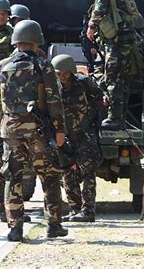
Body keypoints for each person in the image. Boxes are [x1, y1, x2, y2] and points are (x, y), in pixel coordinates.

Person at [0, 20, 68, 241]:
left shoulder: (1, 66)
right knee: (49, 176)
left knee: (13, 176)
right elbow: (54, 100)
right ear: (36, 41)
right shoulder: (43, 65)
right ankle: (54, 225)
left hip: (10, 131)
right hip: (37, 131)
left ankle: (15, 228)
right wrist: (60, 129)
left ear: (15, 41)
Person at [85, 0, 141, 130]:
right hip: (126, 37)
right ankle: (120, 118)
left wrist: (91, 26)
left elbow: (100, 8)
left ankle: (114, 118)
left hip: (117, 40)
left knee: (112, 76)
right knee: (121, 78)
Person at [51, 54, 105, 222]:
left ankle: (88, 211)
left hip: (85, 135)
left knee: (88, 171)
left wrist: (94, 118)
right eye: (58, 74)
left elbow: (99, 98)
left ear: (71, 71)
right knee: (67, 172)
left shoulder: (83, 83)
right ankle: (75, 210)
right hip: (64, 136)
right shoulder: (52, 87)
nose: (62, 77)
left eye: (65, 73)